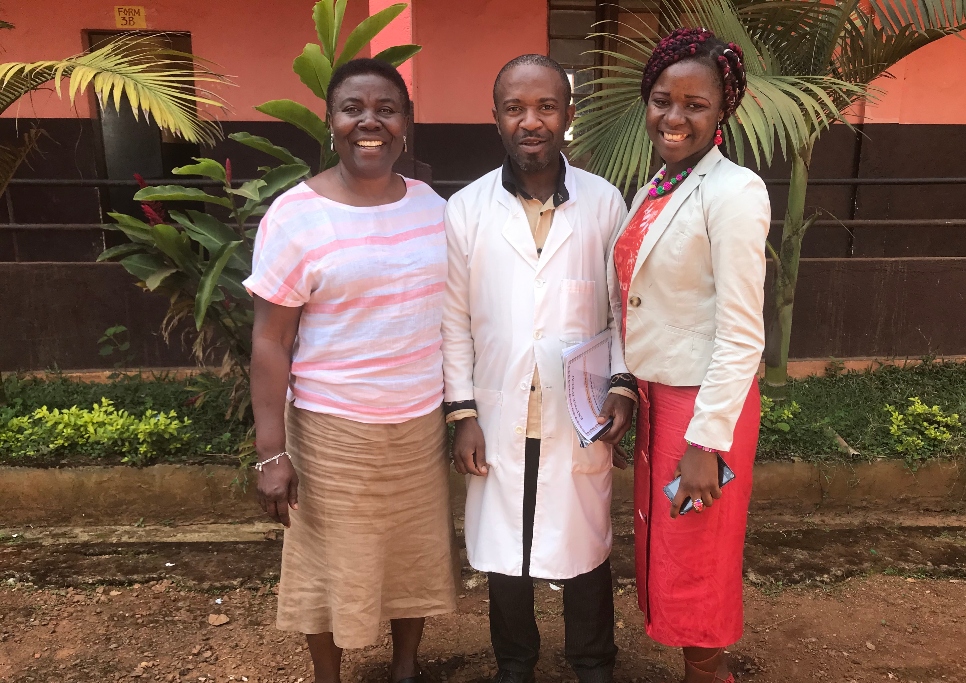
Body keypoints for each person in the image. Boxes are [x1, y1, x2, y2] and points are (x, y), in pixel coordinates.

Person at [245, 58, 458, 683]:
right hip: (330, 431)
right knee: (323, 564)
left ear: (406, 126)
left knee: (412, 557)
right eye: (353, 109)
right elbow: (269, 342)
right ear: (331, 122)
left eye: (387, 110)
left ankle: (405, 667)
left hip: (417, 424)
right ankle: (328, 677)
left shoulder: (431, 207)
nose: (370, 122)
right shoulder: (294, 215)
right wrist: (270, 453)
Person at [441, 55, 637, 683]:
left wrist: (623, 384)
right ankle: (515, 664)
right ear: (495, 117)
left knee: (583, 544)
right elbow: (453, 321)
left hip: (577, 413)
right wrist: (462, 411)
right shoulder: (467, 211)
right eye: (516, 109)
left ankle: (592, 662)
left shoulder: (605, 204)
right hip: (497, 413)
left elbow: (625, 309)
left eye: (546, 107)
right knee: (504, 549)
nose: (532, 121)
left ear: (568, 115)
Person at [609, 28, 770, 683]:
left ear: (721, 110)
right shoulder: (659, 187)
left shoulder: (734, 193)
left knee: (696, 553)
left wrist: (707, 441)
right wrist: (625, 385)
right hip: (657, 400)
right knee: (670, 549)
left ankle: (711, 675)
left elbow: (742, 333)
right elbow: (637, 299)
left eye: (694, 104)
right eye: (661, 99)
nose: (674, 116)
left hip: (704, 411)